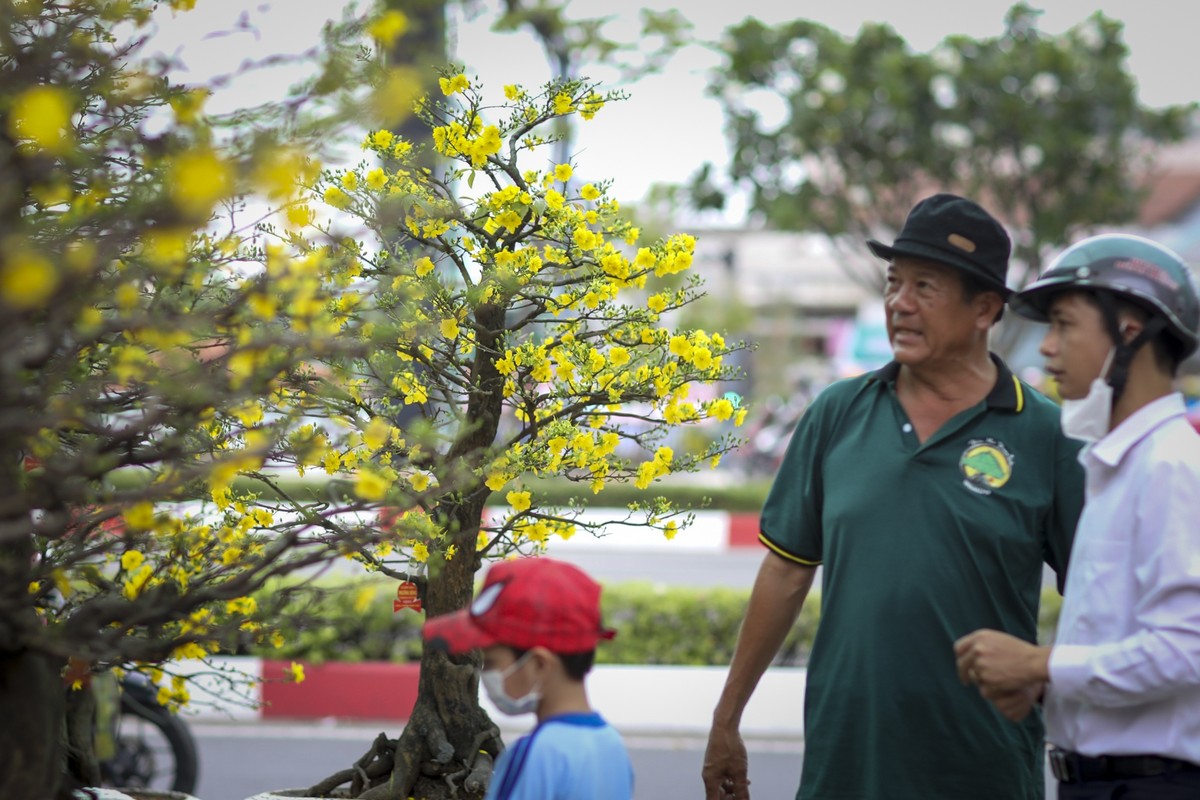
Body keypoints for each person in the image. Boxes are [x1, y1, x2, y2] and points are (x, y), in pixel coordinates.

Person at [702, 193, 1085, 800]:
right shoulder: (837, 413)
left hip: (982, 770)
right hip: (845, 766)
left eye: (925, 287)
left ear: (985, 308)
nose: (899, 304)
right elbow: (784, 574)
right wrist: (726, 719)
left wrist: (1047, 672)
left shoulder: (1044, 434)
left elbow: (1102, 594)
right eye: (893, 282)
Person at [955, 233, 1200, 799]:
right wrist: (1046, 685)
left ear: (1129, 332)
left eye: (1064, 325)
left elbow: (1184, 650)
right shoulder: (1116, 465)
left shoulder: (1170, 467)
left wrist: (1042, 666)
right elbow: (1126, 640)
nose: (1047, 348)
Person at [422, 556, 632, 800]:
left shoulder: (537, 754)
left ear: (539, 665)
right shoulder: (611, 745)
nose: (484, 674)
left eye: (491, 662)